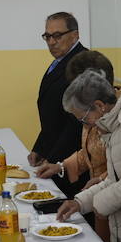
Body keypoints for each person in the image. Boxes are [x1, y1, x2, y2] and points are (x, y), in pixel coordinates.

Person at [54, 67, 121, 242]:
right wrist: (79, 202)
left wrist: (102, 201)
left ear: (99, 106)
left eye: (83, 119)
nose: (85, 125)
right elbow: (114, 179)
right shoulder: (111, 126)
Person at [36, 51, 119, 242]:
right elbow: (89, 152)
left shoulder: (119, 117)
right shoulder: (92, 110)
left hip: (112, 203)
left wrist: (101, 179)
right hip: (96, 199)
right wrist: (61, 166)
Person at [30, 11, 86, 195]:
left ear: (75, 34)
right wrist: (40, 148)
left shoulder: (82, 63)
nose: (51, 42)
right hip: (55, 155)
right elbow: (52, 116)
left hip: (71, 161)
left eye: (57, 36)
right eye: (47, 36)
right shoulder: (59, 61)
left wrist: (53, 159)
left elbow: (75, 122)